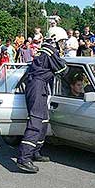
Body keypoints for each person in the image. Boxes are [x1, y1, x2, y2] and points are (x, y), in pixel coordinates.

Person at [17, 26, 68, 173]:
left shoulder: (43, 49)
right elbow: (63, 71)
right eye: (62, 41)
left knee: (44, 121)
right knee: (36, 121)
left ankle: (35, 152)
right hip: (37, 86)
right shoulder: (50, 51)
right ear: (54, 39)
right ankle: (24, 158)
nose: (63, 44)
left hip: (39, 85)